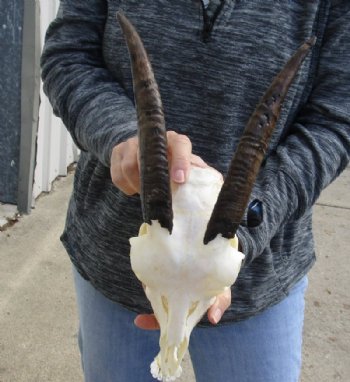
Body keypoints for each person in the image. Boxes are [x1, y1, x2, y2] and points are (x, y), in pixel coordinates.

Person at [41, 1, 350, 381]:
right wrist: (124, 138)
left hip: (260, 278)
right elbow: (69, 56)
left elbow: (336, 114)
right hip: (115, 260)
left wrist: (244, 220)